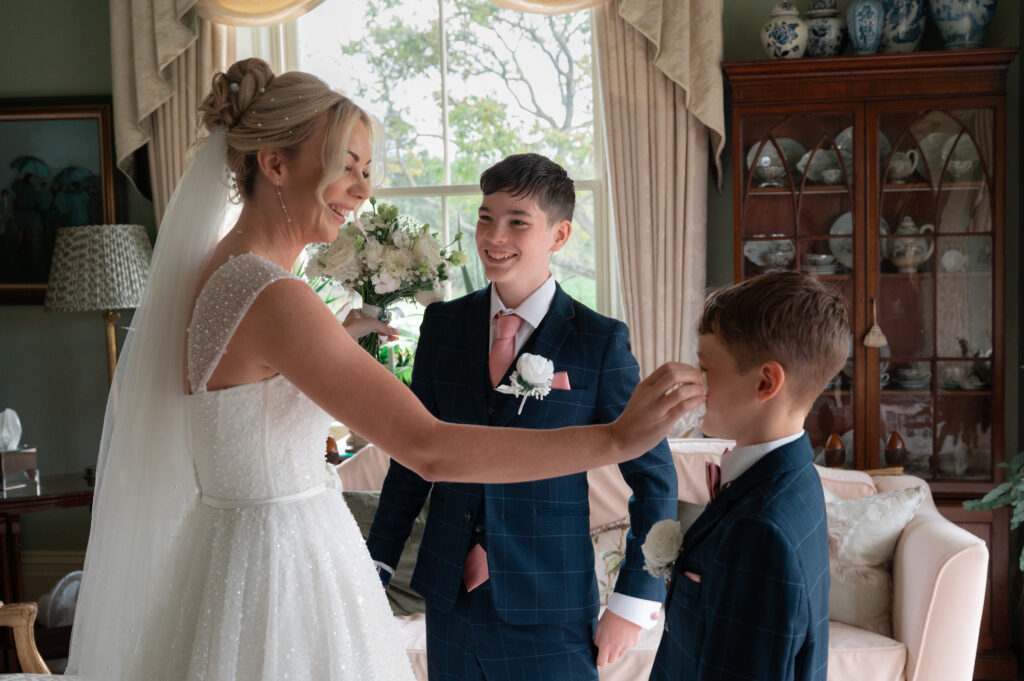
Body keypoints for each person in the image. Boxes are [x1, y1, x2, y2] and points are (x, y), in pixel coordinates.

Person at [64, 58, 703, 681]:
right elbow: (427, 449)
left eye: (366, 170)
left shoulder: (217, 273)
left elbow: (245, 396)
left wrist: (325, 347)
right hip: (285, 571)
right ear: (276, 163)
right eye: (346, 167)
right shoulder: (276, 296)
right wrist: (617, 440)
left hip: (235, 562)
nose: (364, 191)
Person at [366, 153, 677, 680]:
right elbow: (411, 460)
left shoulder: (600, 341)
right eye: (486, 217)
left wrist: (633, 602)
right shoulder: (443, 327)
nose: (494, 235)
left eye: (517, 222)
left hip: (550, 607)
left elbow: (655, 480)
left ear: (559, 236)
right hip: (448, 602)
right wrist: (375, 568)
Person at [649, 271, 847, 681]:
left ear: (765, 381)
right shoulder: (795, 475)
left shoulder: (761, 528)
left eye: (707, 370)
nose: (698, 387)